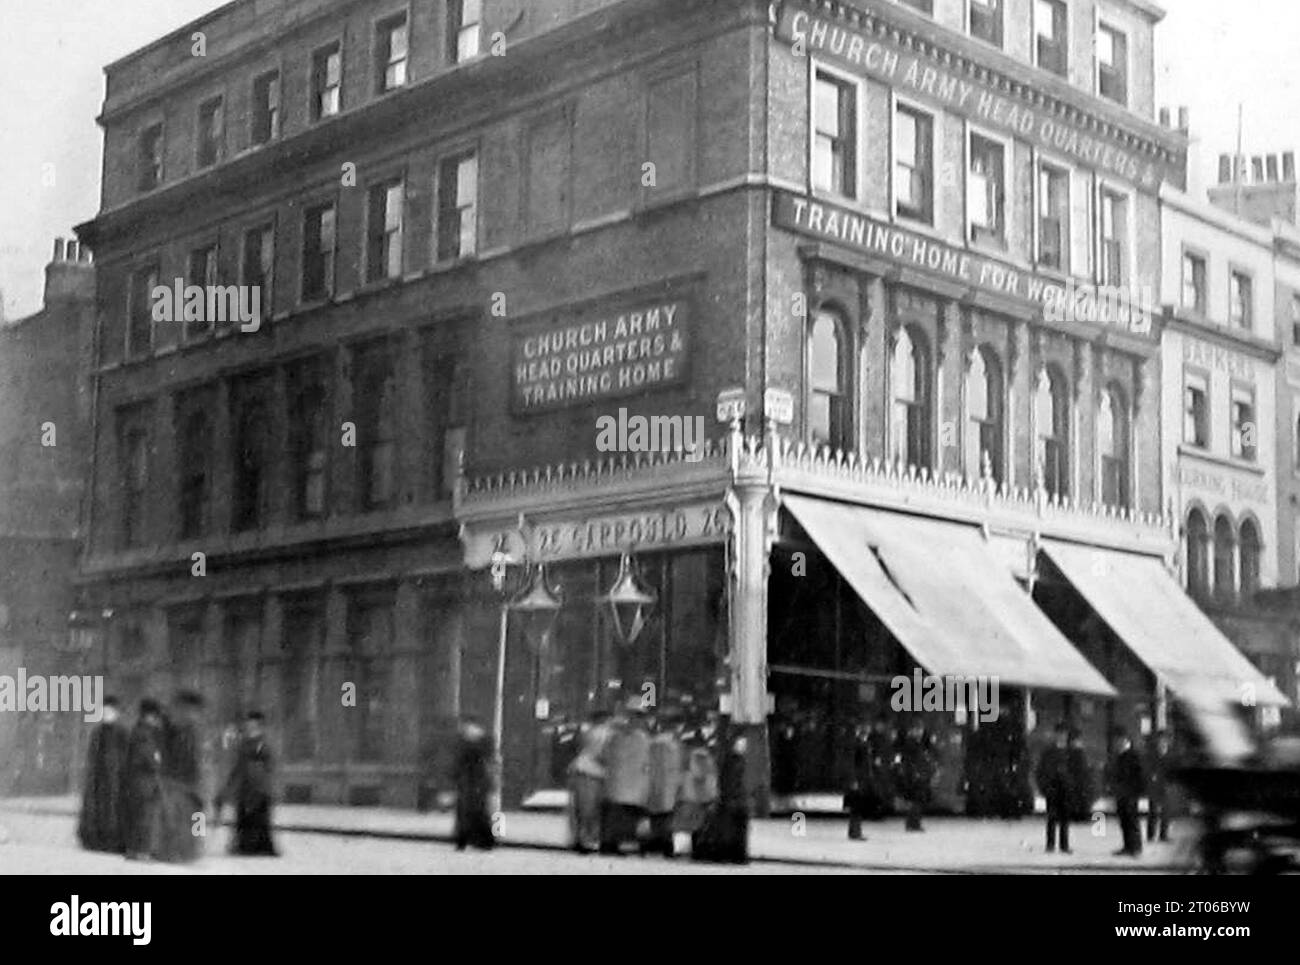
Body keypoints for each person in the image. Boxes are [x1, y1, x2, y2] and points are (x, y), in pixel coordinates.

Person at [216, 711, 277, 856]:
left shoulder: (263, 743)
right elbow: (238, 766)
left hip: (259, 787)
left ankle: (258, 846)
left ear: (260, 725)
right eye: (249, 724)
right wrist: (229, 784)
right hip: (245, 786)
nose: (250, 726)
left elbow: (269, 765)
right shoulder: (243, 743)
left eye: (254, 724)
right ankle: (244, 845)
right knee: (243, 816)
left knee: (259, 818)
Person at [158, 690, 206, 863]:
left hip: (190, 781)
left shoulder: (190, 729)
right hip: (177, 781)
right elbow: (171, 755)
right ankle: (176, 852)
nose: (196, 715)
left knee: (195, 815)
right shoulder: (175, 728)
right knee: (177, 818)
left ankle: (194, 848)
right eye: (193, 710)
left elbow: (195, 757)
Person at [77, 695, 129, 854]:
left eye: (110, 711)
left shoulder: (122, 732)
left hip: (116, 778)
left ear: (117, 712)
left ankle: (113, 840)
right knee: (98, 808)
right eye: (104, 710)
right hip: (99, 778)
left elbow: (126, 755)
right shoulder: (97, 732)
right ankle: (96, 839)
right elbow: (92, 755)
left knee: (113, 809)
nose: (107, 714)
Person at [599, 705, 652, 854]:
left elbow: (604, 755)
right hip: (632, 784)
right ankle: (615, 843)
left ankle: (610, 843)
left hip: (619, 784)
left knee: (617, 816)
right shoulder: (642, 738)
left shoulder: (615, 736)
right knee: (625, 817)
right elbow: (648, 762)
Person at [123, 698, 166, 861]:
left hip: (137, 781)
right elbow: (150, 758)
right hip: (144, 782)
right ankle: (142, 851)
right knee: (145, 817)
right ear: (149, 716)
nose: (157, 720)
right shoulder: (145, 734)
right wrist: (158, 761)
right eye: (155, 717)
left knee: (138, 816)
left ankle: (134, 849)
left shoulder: (138, 731)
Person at [567, 711, 613, 853]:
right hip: (593, 772)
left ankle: (579, 839)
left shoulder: (588, 732)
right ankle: (587, 841)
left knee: (580, 808)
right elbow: (604, 755)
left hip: (580, 769)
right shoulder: (605, 734)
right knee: (591, 809)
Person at [644, 714, 685, 857]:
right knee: (666, 816)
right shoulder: (671, 743)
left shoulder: (654, 742)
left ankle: (656, 843)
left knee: (656, 815)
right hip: (668, 783)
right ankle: (666, 845)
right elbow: (675, 765)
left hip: (655, 783)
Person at [451, 718, 495, 850]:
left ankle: (465, 839)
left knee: (467, 813)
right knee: (479, 812)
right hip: (476, 784)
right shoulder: (482, 745)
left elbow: (458, 765)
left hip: (470, 784)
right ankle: (482, 840)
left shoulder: (464, 745)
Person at [1107, 727, 1146, 857]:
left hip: (1130, 793)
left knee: (1132, 821)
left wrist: (1136, 791)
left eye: (1118, 741)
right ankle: (1127, 846)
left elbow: (1139, 775)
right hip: (1121, 793)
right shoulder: (1118, 756)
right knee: (1124, 821)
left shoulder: (1134, 755)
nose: (1116, 744)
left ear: (1125, 740)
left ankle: (1136, 847)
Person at [1035, 723, 1072, 854]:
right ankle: (1050, 844)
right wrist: (1045, 787)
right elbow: (1041, 771)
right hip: (1053, 789)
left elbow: (1076, 771)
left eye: (1063, 734)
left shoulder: (1070, 752)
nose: (1061, 736)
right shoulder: (1049, 752)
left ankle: (1064, 844)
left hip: (1066, 789)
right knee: (1052, 818)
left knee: (1065, 819)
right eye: (1059, 733)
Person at [896, 720, 936, 832]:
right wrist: (915, 772)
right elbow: (909, 761)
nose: (920, 732)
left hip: (919, 774)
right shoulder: (911, 743)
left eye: (921, 730)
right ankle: (913, 823)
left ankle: (914, 822)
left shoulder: (920, 743)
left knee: (918, 800)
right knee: (916, 800)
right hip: (914, 775)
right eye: (917, 730)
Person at [1146, 730, 1173, 843]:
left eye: (1164, 740)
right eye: (1160, 740)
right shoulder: (1152, 755)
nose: (1162, 743)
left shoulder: (1171, 755)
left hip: (1167, 786)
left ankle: (1164, 835)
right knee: (1153, 811)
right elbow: (1148, 769)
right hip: (1155, 786)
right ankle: (1151, 835)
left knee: (1166, 812)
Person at [1065, 728, 1095, 822]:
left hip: (1078, 783)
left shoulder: (1073, 753)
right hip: (1078, 783)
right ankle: (1080, 814)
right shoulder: (1079, 753)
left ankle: (1079, 814)